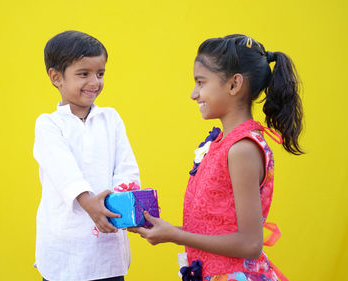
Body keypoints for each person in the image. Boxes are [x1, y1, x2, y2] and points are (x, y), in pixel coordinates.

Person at [128, 34, 303, 281]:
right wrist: (167, 231)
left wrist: (175, 235)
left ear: (234, 84)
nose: (193, 93)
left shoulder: (242, 148)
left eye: (201, 82)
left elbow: (250, 244)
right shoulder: (223, 143)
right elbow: (217, 231)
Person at [33, 30, 140, 281]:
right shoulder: (49, 124)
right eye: (84, 74)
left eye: (100, 73)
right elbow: (64, 172)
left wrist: (127, 206)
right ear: (56, 77)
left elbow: (126, 166)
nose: (95, 82)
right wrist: (88, 202)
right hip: (65, 245)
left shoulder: (110, 118)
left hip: (108, 242)